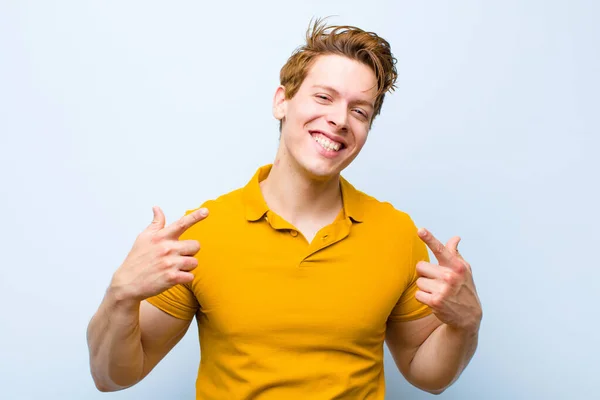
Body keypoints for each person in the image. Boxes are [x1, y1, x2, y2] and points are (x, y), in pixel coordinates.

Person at [86, 18, 482, 399]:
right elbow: (113, 377)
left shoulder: (396, 233)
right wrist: (120, 294)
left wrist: (465, 325)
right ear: (282, 102)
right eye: (324, 97)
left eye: (359, 111)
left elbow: (427, 375)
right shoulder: (203, 232)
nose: (339, 119)